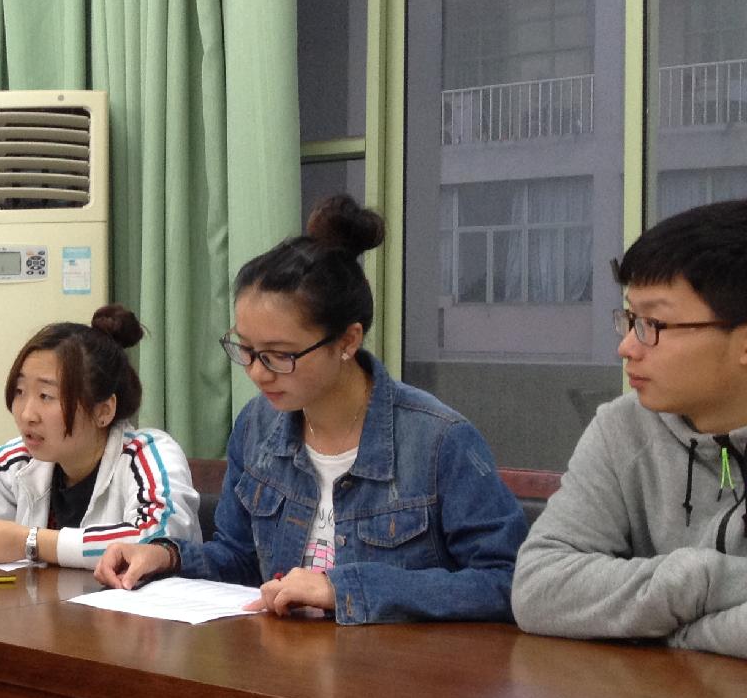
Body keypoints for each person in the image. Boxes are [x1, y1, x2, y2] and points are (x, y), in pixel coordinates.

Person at [96, 196, 526, 623]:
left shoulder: (438, 441)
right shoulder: (257, 427)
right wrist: (166, 556)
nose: (257, 373)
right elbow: (239, 559)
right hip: (285, 659)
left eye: (279, 355)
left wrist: (345, 589)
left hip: (399, 663)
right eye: (246, 349)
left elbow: (506, 581)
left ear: (348, 341)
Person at [514, 198, 747, 655]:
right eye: (630, 319)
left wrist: (672, 632)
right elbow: (538, 587)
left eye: (653, 324)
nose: (627, 346)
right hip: (653, 697)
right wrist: (697, 580)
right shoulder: (623, 427)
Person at [0, 306, 200, 567]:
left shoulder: (148, 455)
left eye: (46, 396)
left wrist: (32, 542)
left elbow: (158, 539)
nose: (27, 414)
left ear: (103, 411)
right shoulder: (21, 458)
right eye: (20, 392)